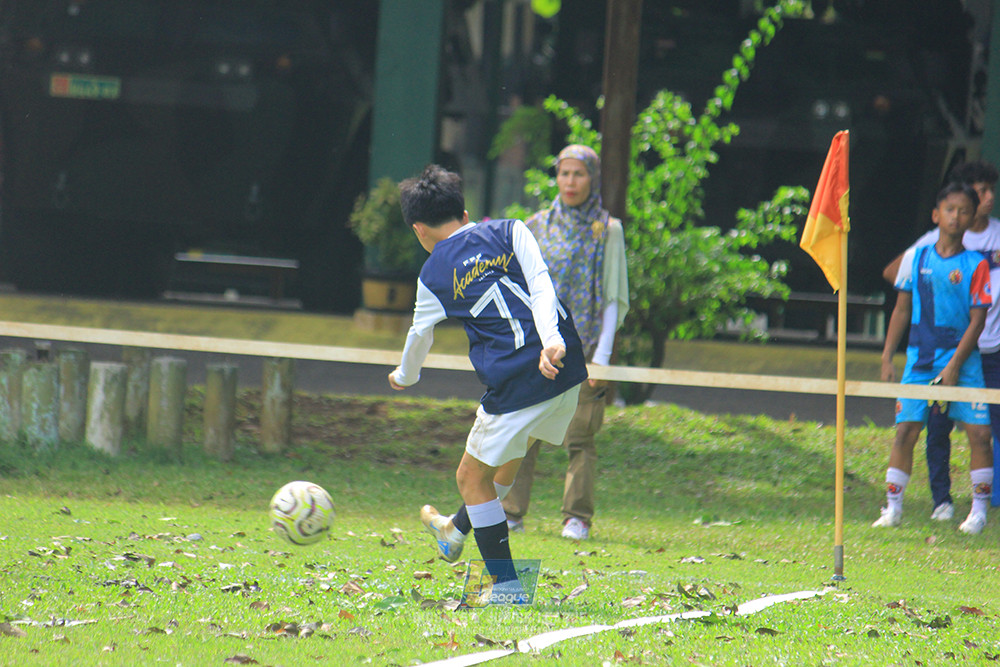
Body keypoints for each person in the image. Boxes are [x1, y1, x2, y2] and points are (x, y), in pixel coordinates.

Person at [387, 165, 588, 596]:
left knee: (469, 477)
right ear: (463, 210)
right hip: (566, 366)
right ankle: (453, 531)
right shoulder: (510, 230)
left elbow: (419, 335)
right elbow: (540, 282)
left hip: (519, 377)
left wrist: (405, 376)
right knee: (504, 462)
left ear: (419, 229)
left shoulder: (433, 273)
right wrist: (552, 341)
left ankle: (507, 586)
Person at [501, 144, 629, 540]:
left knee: (581, 435)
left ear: (592, 178)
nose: (571, 182)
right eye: (564, 173)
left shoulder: (606, 229)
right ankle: (510, 512)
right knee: (525, 429)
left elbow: (612, 297)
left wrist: (601, 359)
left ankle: (577, 517)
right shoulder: (535, 225)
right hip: (539, 344)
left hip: (586, 344)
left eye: (579, 174)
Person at [873, 182, 993, 534]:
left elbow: (978, 320)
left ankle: (978, 512)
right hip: (919, 359)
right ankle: (893, 508)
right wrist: (886, 356)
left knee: (980, 435)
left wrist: (955, 365)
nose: (956, 217)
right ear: (936, 215)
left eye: (964, 211)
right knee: (906, 431)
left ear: (972, 219)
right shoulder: (917, 258)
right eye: (950, 209)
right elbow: (901, 308)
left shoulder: (976, 264)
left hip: (963, 360)